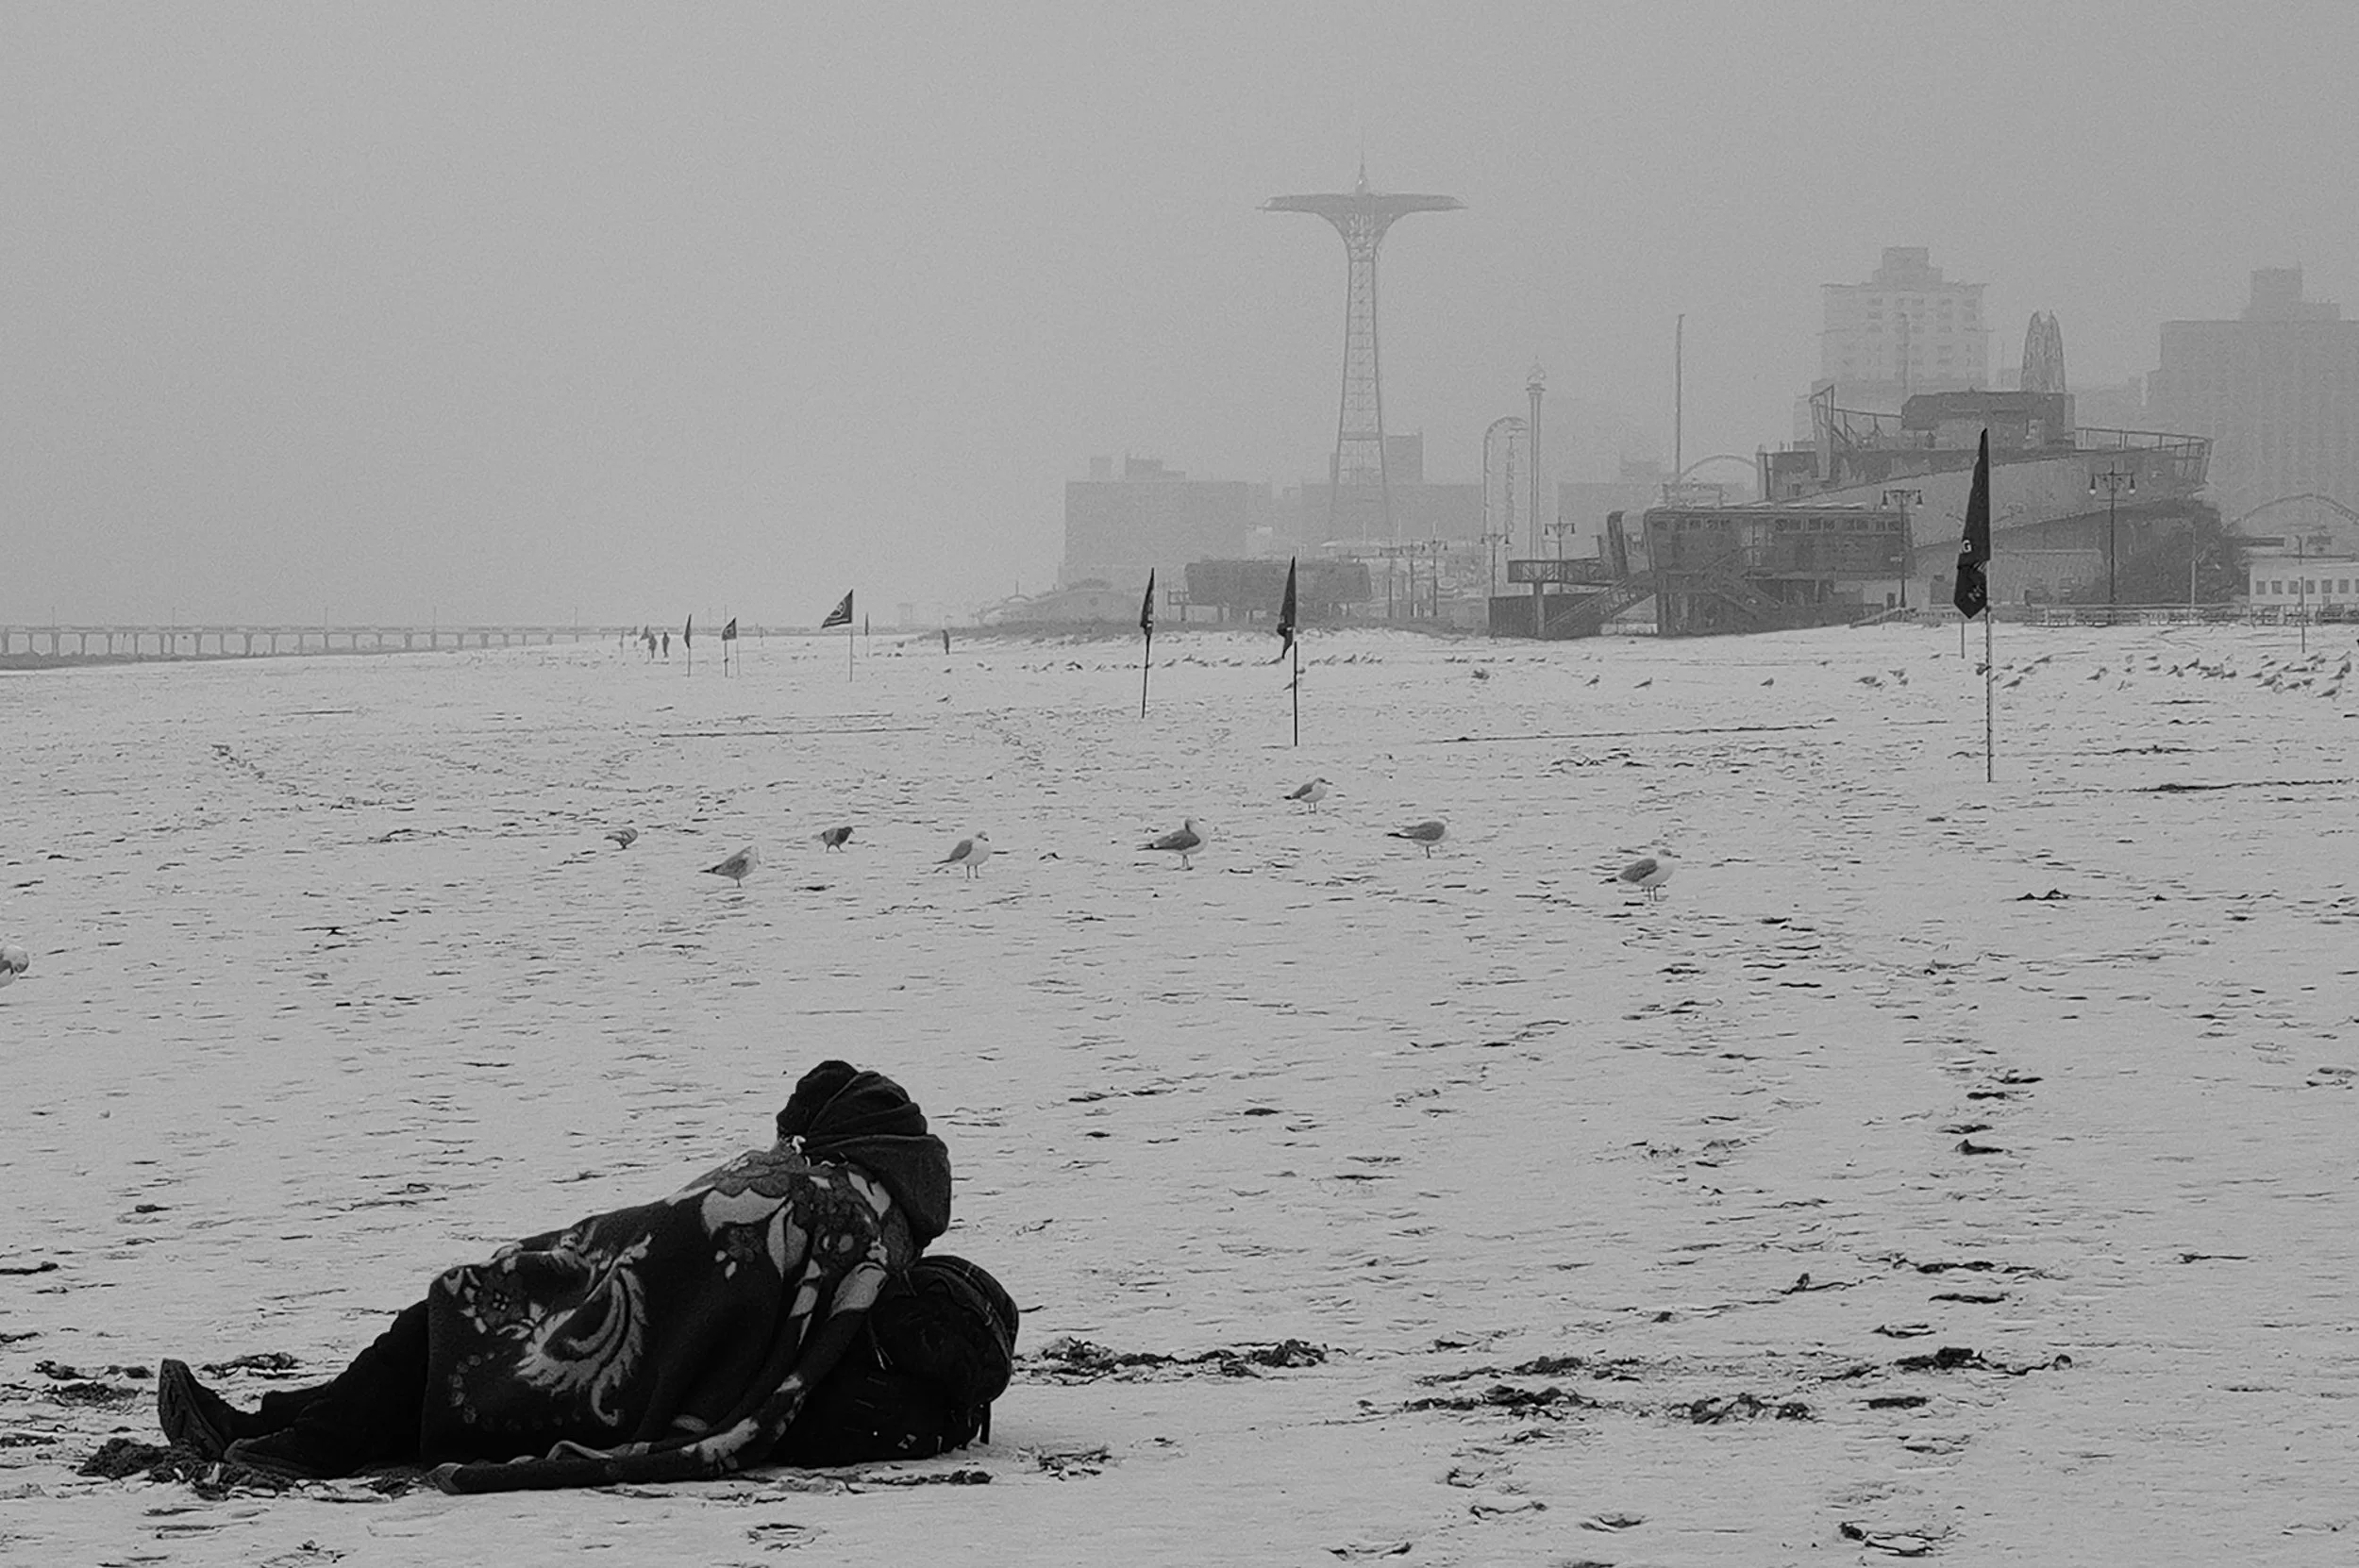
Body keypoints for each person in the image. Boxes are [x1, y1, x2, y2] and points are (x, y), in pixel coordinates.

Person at [156, 1062, 1012, 1493]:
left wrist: (566, 1257)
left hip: (641, 1347)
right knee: (442, 1353)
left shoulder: (816, 1191)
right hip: (689, 1354)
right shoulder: (882, 1214)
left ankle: (292, 1449)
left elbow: (682, 1238)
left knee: (457, 1313)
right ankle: (266, 1421)